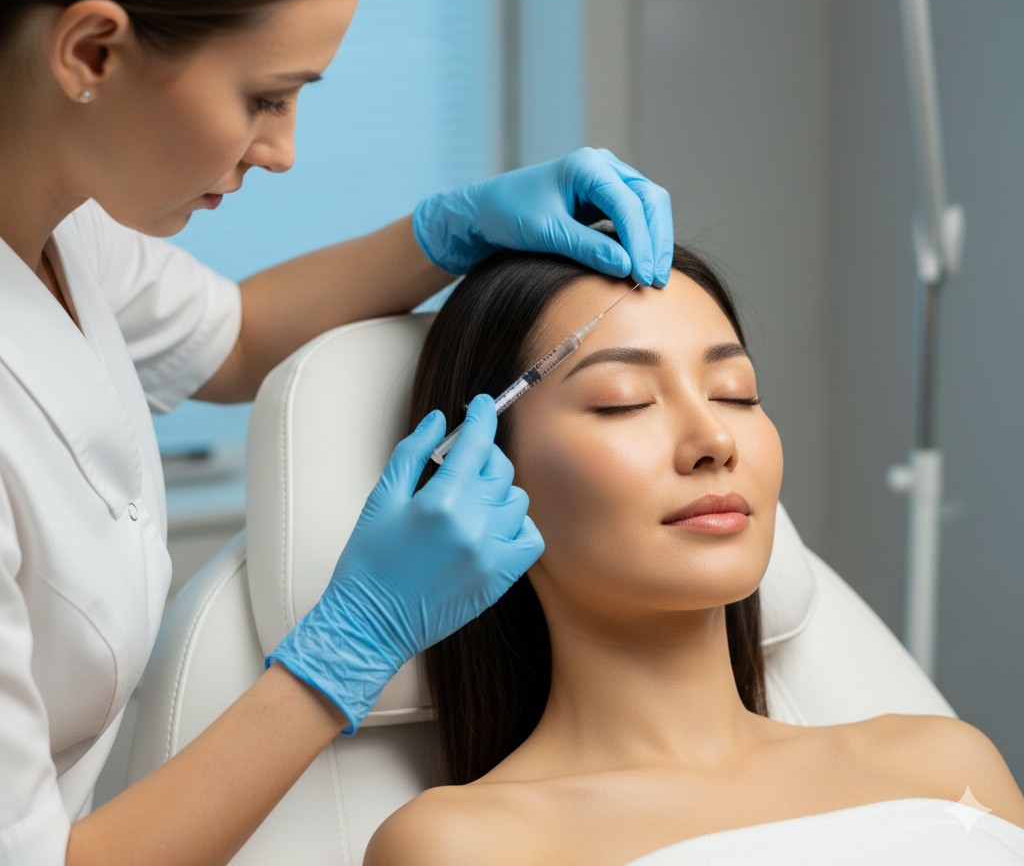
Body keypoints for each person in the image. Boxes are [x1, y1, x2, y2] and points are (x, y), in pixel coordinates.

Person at [0, 0, 675, 864]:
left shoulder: (65, 223)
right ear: (93, 50)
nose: (283, 150)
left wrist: (448, 231)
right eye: (266, 96)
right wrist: (348, 646)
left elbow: (233, 340)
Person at [365, 237, 1024, 866]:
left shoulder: (948, 767)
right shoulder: (464, 845)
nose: (714, 437)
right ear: (481, 477)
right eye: (623, 402)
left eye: (735, 393)